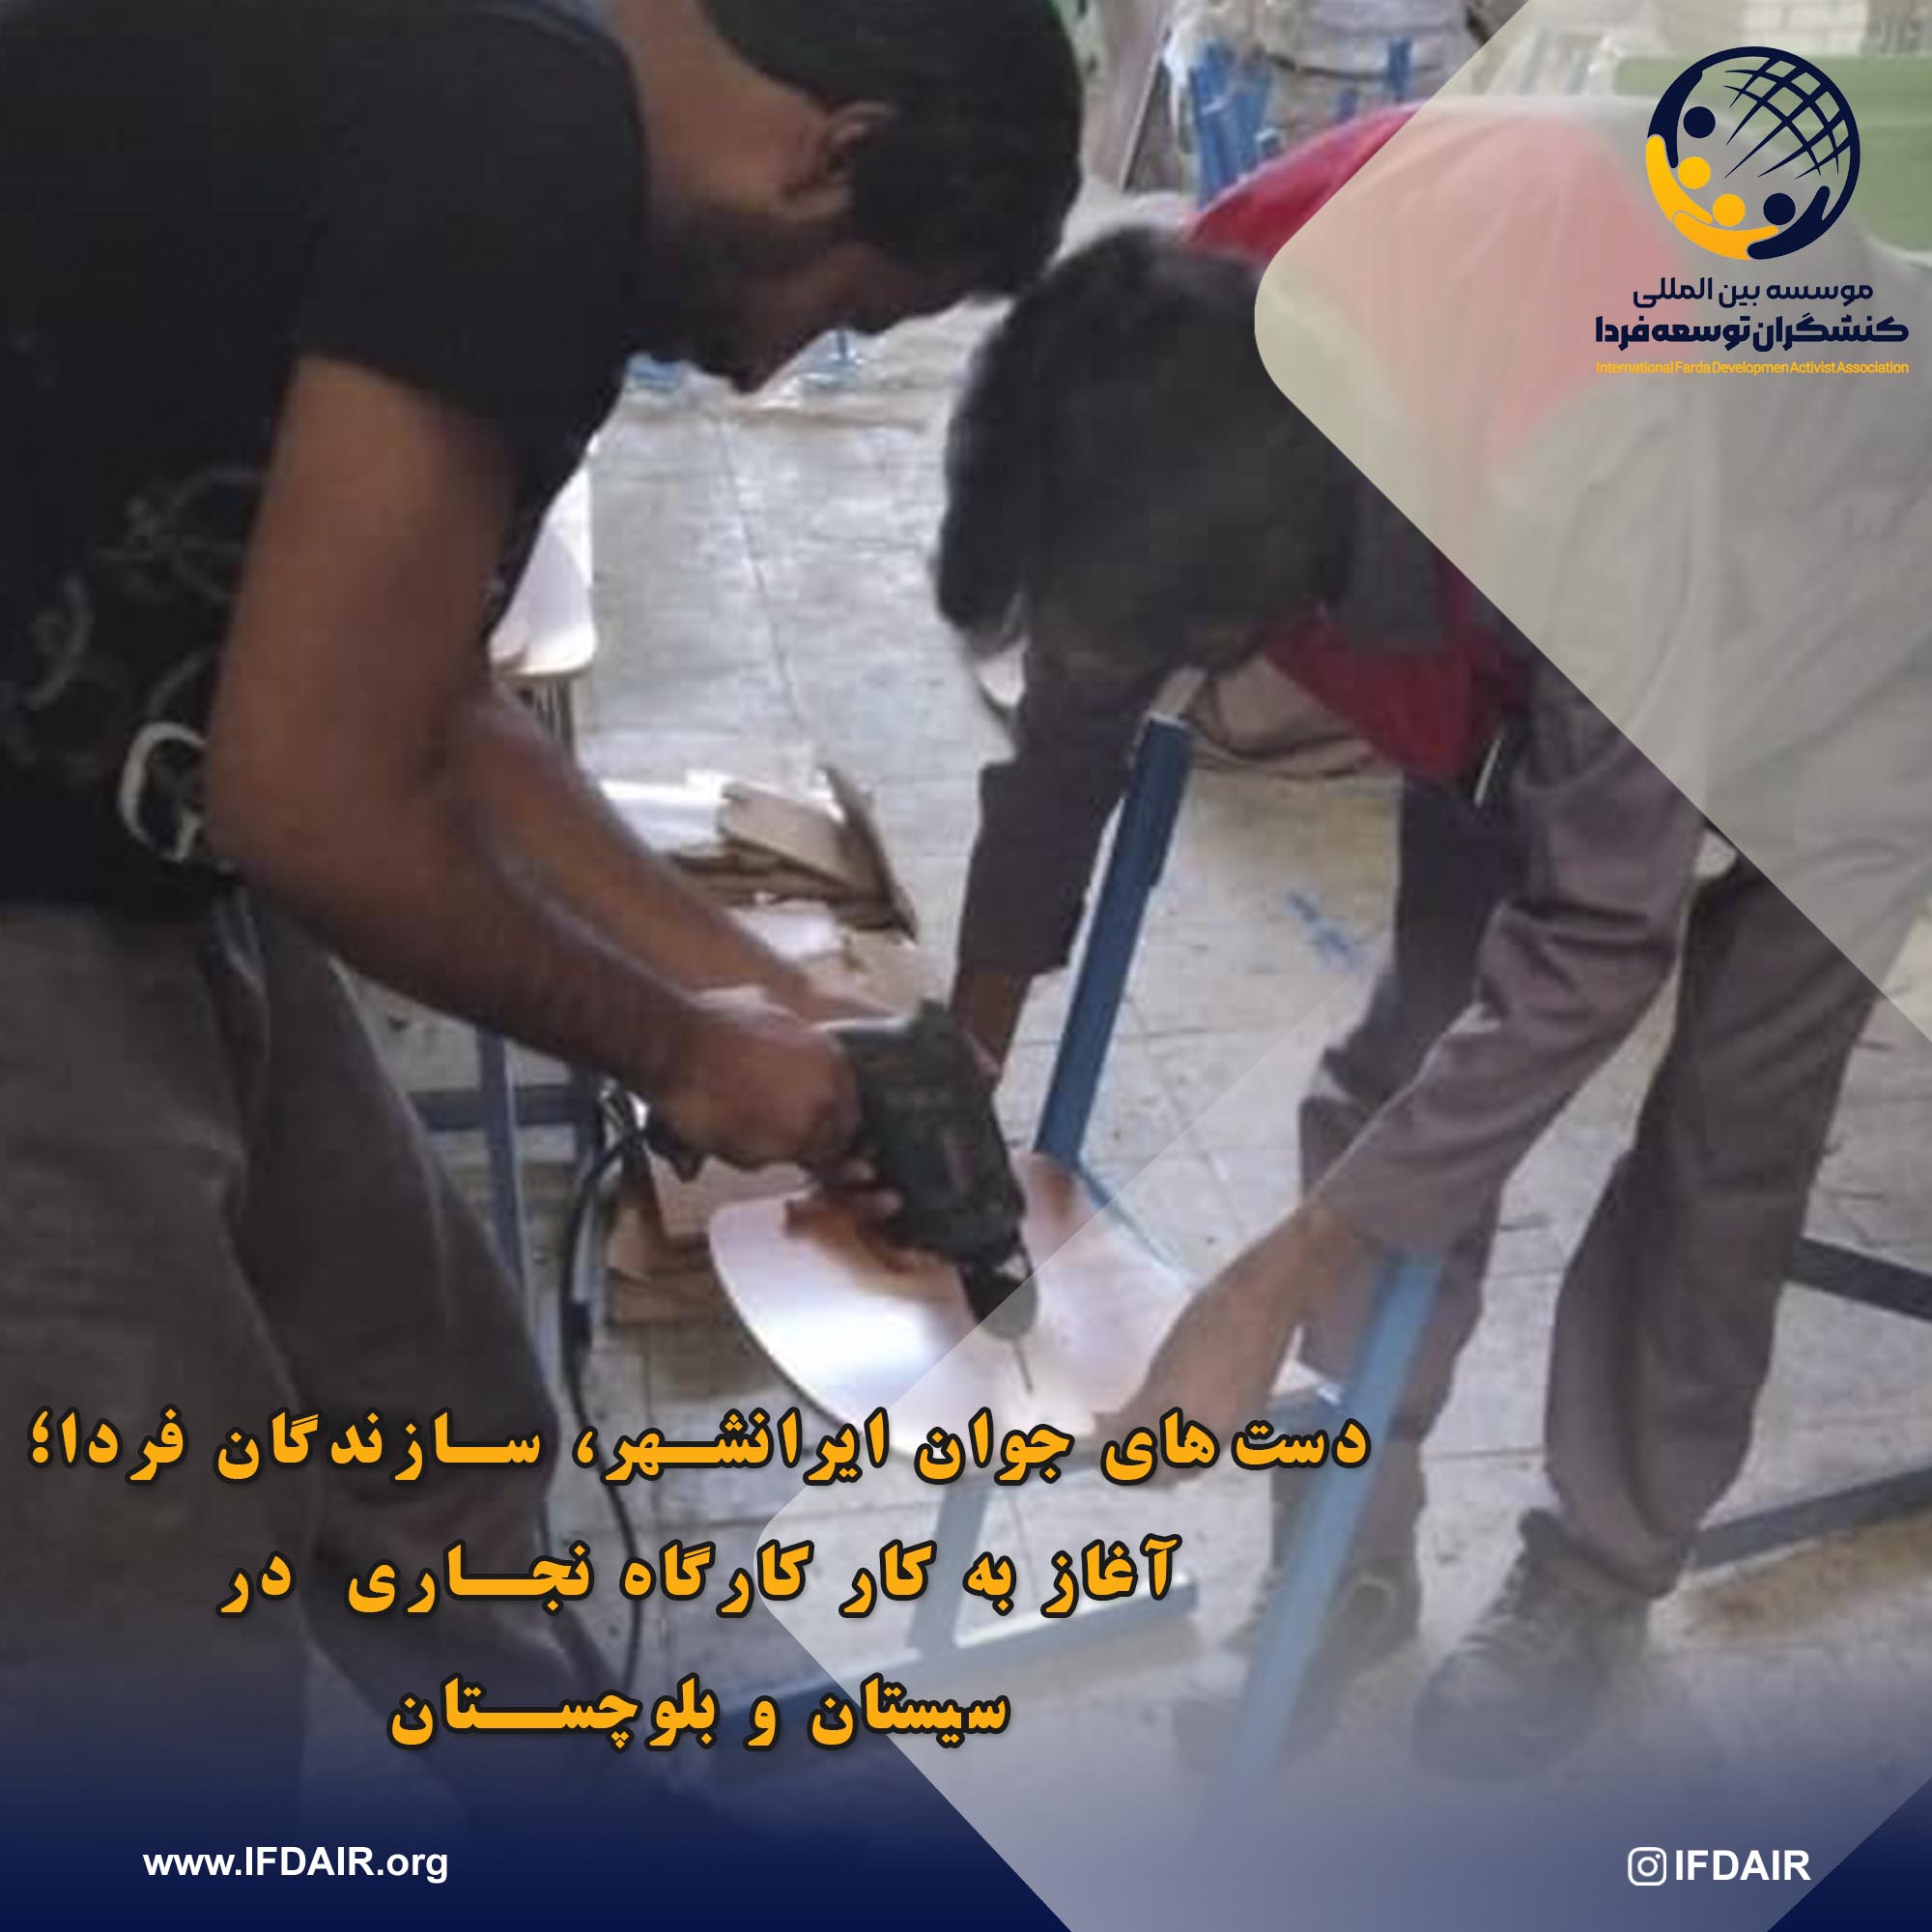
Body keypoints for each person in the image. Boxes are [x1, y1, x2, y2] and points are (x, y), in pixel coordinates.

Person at [0, 0, 1081, 1819]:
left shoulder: (514, 119)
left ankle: (563, 1817)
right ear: (831, 150)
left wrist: (768, 996)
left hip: (140, 836)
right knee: (148, 1594)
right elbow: (313, 798)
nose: (767, 373)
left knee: (431, 1408)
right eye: (844, 312)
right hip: (33, 885)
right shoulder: (530, 128)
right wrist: (680, 1052)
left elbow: (438, 704)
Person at [939, 110, 1877, 1776]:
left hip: (1860, 598)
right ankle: (1348, 1550)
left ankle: (1596, 1572)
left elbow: (1596, 943)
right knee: (1406, 1073)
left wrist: (1268, 1279)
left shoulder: (1585, 466)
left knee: (1727, 1123)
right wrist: (964, 1058)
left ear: (1278, 611)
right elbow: (1072, 723)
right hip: (1538, 557)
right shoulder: (1176, 356)